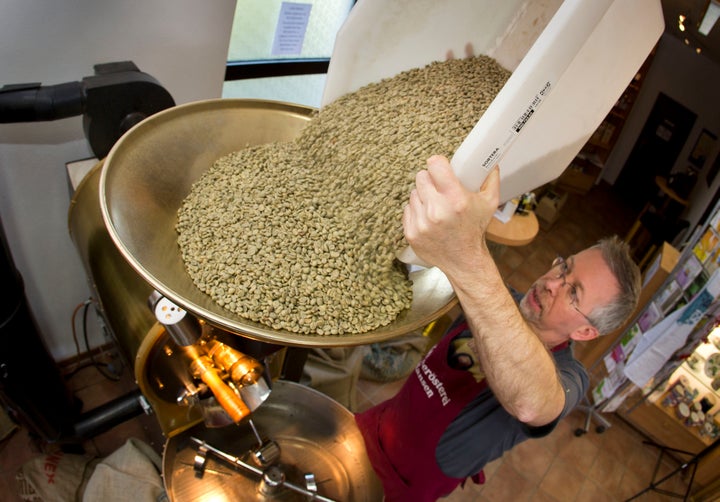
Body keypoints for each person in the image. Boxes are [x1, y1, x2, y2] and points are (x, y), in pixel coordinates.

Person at [355, 155, 641, 501]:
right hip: (381, 421)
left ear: (585, 332)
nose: (552, 282)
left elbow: (532, 405)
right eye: (564, 267)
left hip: (409, 481)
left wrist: (470, 257)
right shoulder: (502, 300)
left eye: (573, 291)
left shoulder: (569, 377)